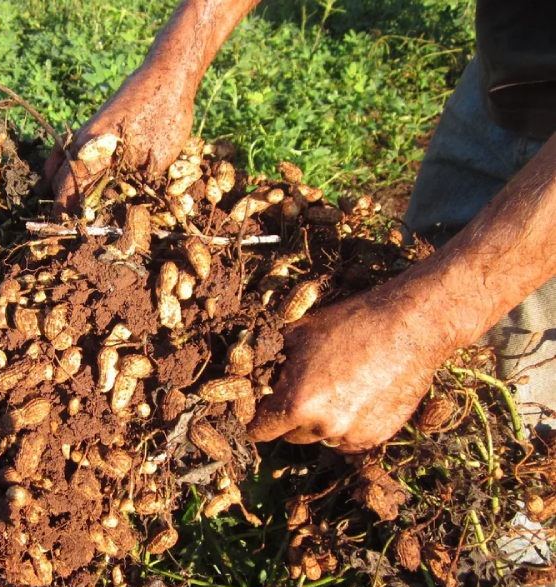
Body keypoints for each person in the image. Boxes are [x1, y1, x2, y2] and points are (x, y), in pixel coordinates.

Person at [45, 0, 556, 453]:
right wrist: (173, 64)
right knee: (414, 265)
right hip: (510, 69)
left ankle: (505, 549)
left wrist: (423, 325)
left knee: (506, 414)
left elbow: (431, 317)